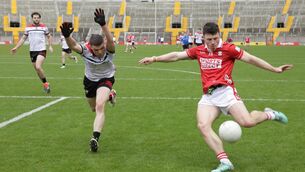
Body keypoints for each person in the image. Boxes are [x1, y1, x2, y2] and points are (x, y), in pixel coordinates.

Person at [139, 22, 293, 172]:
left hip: (226, 92)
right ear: (203, 38)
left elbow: (251, 59)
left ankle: (270, 114)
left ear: (219, 36)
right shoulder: (198, 50)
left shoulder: (229, 49)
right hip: (209, 97)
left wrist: (274, 69)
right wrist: (154, 58)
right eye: (209, 39)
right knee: (203, 125)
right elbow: (176, 56)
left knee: (247, 122)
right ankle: (225, 162)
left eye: (215, 38)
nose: (212, 42)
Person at [60, 8, 117, 152]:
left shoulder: (108, 49)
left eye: (101, 49)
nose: (99, 52)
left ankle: (95, 138)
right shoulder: (85, 50)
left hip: (106, 79)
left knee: (99, 106)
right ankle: (110, 95)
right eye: (96, 50)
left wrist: (103, 24)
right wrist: (67, 36)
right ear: (90, 47)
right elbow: (73, 45)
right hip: (90, 80)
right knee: (93, 108)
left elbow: (109, 40)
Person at [11, 12, 53, 93]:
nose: (36, 19)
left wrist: (50, 45)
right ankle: (45, 83)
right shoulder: (28, 28)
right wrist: (16, 47)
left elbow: (49, 36)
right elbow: (23, 38)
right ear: (32, 18)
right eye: (35, 18)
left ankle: (46, 84)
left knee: (38, 67)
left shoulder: (44, 27)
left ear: (40, 18)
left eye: (38, 18)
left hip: (42, 50)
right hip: (32, 51)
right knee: (37, 71)